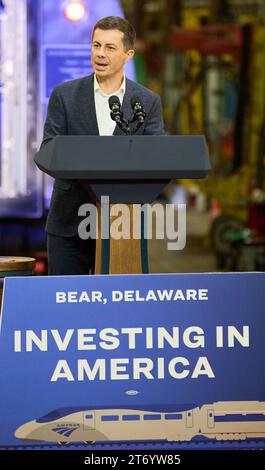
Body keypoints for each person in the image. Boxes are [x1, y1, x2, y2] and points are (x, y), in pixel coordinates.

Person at [40, 16, 164, 275]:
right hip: (69, 225)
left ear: (128, 54)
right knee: (67, 308)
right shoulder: (64, 95)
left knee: (117, 311)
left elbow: (156, 157)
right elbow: (49, 148)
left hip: (122, 227)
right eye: (96, 46)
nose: (100, 54)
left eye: (110, 47)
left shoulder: (147, 101)